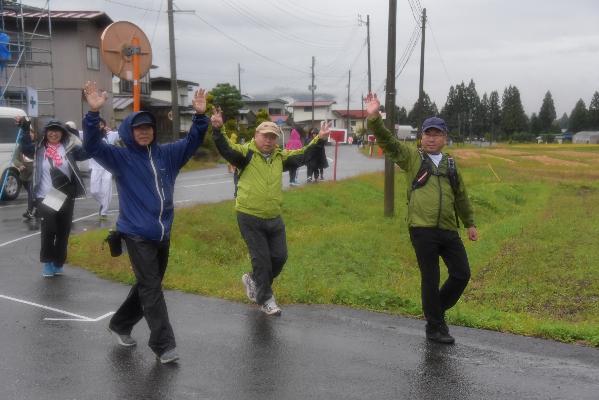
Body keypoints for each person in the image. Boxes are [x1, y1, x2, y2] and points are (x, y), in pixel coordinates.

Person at [82, 81, 210, 364]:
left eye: (148, 128)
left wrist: (200, 117)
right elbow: (91, 145)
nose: (144, 132)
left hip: (162, 233)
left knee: (146, 285)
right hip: (136, 233)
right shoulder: (120, 157)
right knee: (152, 288)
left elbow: (192, 141)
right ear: (129, 131)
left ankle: (119, 323)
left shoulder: (168, 155)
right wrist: (93, 114)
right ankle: (164, 345)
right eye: (138, 128)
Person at [365, 92, 478, 344]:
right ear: (421, 136)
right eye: (427, 133)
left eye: (437, 134)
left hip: (449, 229)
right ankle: (435, 327)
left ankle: (434, 311)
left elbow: (461, 195)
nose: (431, 138)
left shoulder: (450, 164)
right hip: (421, 229)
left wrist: (470, 222)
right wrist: (373, 117)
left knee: (461, 274)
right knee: (431, 277)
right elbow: (387, 140)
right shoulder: (412, 157)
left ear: (445, 138)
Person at [211, 113, 330, 315]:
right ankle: (265, 299)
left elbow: (303, 155)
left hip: (274, 217)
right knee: (262, 260)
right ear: (256, 135)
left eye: (273, 137)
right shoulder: (245, 155)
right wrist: (217, 130)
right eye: (265, 136)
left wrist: (320, 140)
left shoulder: (279, 157)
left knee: (280, 257)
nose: (268, 140)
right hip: (249, 216)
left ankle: (254, 280)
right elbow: (226, 149)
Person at [23, 119, 88, 277]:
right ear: (45, 133)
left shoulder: (69, 148)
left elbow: (87, 151)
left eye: (57, 130)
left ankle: (58, 262)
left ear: (62, 133)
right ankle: (47, 262)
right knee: (49, 228)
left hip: (65, 193)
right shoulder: (39, 149)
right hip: (45, 195)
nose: (53, 133)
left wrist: (84, 133)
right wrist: (25, 129)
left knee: (63, 231)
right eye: (50, 130)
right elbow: (25, 147)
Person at [89, 117, 118, 220]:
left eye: (101, 124)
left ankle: (104, 211)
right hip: (95, 167)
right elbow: (74, 132)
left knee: (106, 189)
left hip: (107, 167)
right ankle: (103, 202)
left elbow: (123, 133)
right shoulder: (90, 136)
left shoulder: (111, 135)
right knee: (94, 191)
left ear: (104, 126)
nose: (99, 126)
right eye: (97, 124)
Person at [14, 116, 36, 220]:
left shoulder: (36, 146)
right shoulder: (21, 147)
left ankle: (29, 211)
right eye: (30, 133)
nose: (31, 135)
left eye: (33, 133)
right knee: (31, 193)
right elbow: (15, 158)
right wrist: (19, 165)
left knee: (32, 191)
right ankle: (37, 207)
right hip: (24, 174)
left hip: (34, 173)